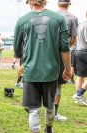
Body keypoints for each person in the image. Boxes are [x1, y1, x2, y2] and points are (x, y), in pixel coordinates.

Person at [13, 0, 71, 132]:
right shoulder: (58, 19)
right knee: (50, 105)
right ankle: (48, 129)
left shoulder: (22, 20)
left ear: (29, 2)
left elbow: (17, 50)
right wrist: (68, 69)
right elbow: (65, 47)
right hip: (51, 71)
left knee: (33, 109)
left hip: (31, 71)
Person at [54, 0, 78, 121]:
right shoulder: (73, 18)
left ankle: (34, 107)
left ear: (58, 4)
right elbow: (73, 40)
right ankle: (54, 113)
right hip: (62, 54)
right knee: (58, 84)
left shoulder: (50, 15)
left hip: (47, 53)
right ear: (68, 4)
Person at [72, 11, 87, 106]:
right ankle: (79, 94)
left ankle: (78, 97)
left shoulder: (80, 24)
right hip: (85, 51)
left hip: (78, 51)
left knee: (80, 76)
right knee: (80, 76)